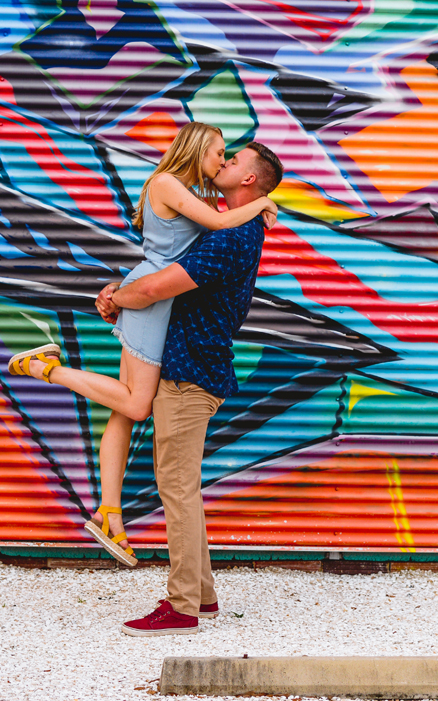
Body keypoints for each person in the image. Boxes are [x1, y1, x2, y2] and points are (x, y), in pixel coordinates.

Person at [7, 123, 277, 568]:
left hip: (155, 298)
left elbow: (212, 221)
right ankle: (45, 368)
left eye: (230, 157)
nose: (222, 161)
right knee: (136, 405)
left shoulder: (191, 191)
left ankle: (109, 511)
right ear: (197, 149)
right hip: (152, 302)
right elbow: (217, 223)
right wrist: (265, 203)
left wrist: (259, 201)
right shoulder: (169, 183)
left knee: (123, 407)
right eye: (219, 153)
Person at [98, 141, 284, 636]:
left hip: (189, 374)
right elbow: (158, 271)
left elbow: (159, 287)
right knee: (184, 489)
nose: (223, 162)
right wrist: (123, 291)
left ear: (250, 180)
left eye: (234, 159)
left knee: (176, 489)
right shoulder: (223, 226)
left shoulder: (232, 235)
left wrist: (118, 297)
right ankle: (201, 595)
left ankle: (181, 608)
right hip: (192, 369)